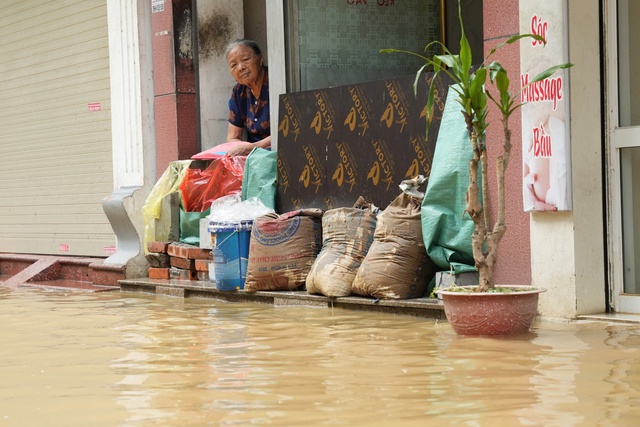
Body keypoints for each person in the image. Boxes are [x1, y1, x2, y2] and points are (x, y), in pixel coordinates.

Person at [224, 39, 271, 157]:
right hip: (255, 158)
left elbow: (288, 131)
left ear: (260, 59)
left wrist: (251, 148)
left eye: (245, 59)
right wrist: (242, 149)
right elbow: (233, 138)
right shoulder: (239, 92)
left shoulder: (277, 82)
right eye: (234, 65)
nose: (240, 68)